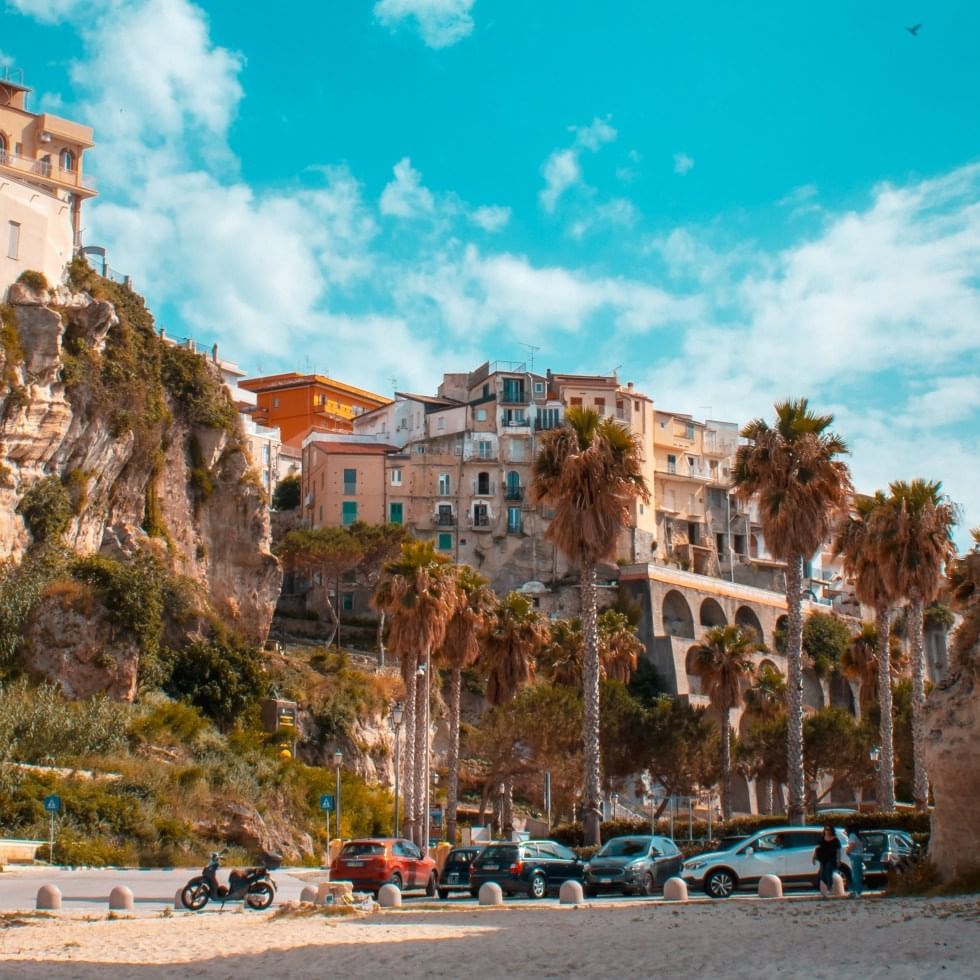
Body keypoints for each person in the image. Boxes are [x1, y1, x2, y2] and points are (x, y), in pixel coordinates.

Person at [813, 824, 842, 897]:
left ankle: (830, 888)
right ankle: (824, 890)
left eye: (829, 830)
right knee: (823, 875)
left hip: (831, 859)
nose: (827, 831)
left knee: (828, 871)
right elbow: (816, 848)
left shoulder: (835, 840)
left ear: (832, 831)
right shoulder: (822, 839)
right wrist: (814, 857)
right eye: (826, 829)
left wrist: (838, 860)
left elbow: (838, 850)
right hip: (822, 859)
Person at [845, 830, 864, 897]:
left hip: (854, 855)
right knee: (859, 874)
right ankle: (858, 891)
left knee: (855, 875)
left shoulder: (852, 835)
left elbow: (852, 844)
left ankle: (857, 892)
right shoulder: (858, 836)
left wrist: (847, 851)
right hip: (859, 855)